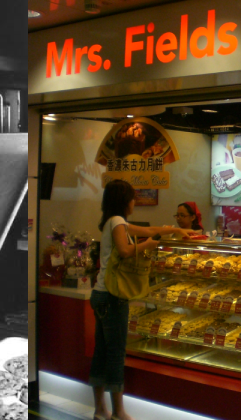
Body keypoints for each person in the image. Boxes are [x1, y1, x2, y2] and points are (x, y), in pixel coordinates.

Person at [89, 180, 191, 420]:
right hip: (113, 296)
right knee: (116, 354)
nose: (134, 202)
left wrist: (173, 231)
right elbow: (125, 250)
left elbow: (146, 230)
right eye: (133, 198)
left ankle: (100, 409)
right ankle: (118, 412)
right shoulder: (117, 221)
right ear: (124, 201)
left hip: (100, 294)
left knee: (101, 353)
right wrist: (148, 245)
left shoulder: (112, 221)